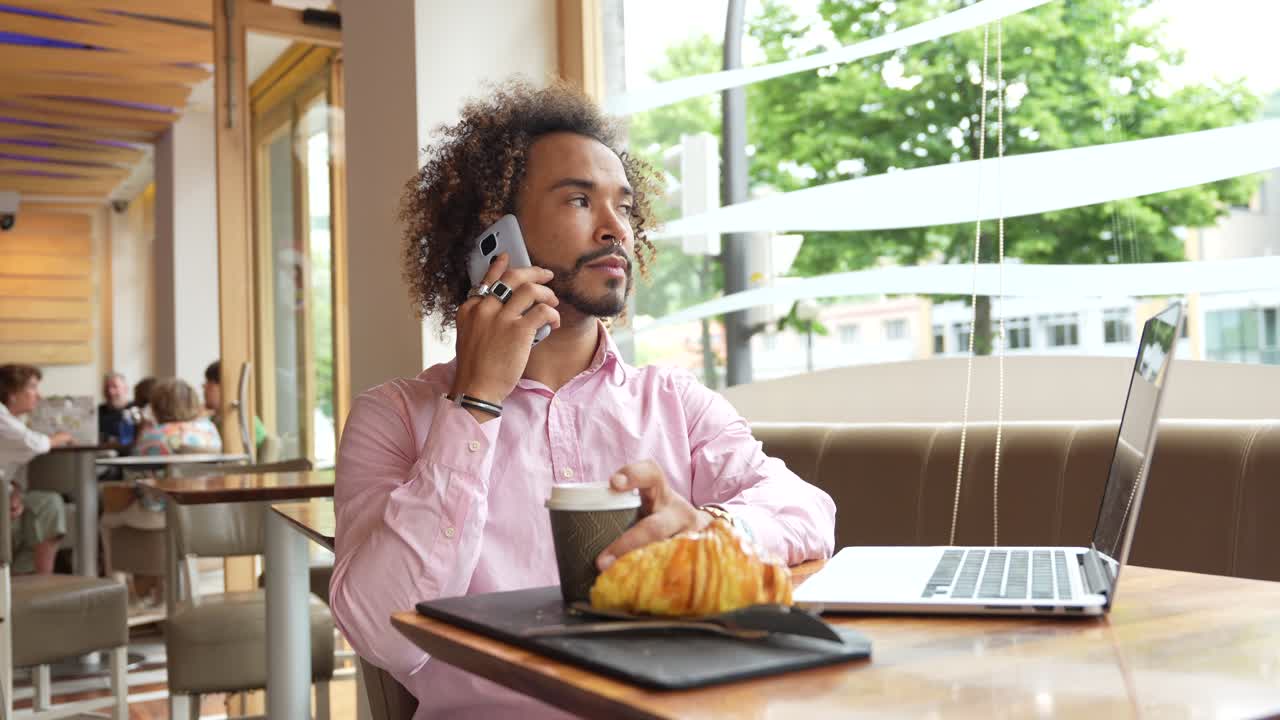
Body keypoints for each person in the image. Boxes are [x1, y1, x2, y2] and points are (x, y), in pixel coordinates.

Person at [330, 78, 836, 719]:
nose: (614, 229)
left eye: (623, 207)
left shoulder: (675, 402)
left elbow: (805, 509)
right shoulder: (395, 417)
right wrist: (477, 402)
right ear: (496, 236)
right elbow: (381, 633)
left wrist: (714, 526)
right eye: (578, 200)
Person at [0, 363, 74, 575]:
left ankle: (37, 583)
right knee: (48, 505)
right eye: (32, 388)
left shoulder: (13, 422)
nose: (38, 396)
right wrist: (60, 438)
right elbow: (35, 444)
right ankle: (38, 583)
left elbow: (10, 466)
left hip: (5, 495)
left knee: (48, 504)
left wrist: (16, 493)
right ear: (12, 393)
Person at [133, 378, 222, 456]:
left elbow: (136, 466)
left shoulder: (151, 436)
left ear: (156, 406)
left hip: (164, 475)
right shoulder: (209, 429)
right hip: (209, 475)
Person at [201, 360, 266, 449]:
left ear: (224, 388)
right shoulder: (211, 420)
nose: (204, 386)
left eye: (209, 382)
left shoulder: (246, 421)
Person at [98, 371, 134, 447]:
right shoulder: (97, 412)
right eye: (107, 387)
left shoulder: (135, 410)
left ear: (126, 389)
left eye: (115, 387)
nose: (110, 391)